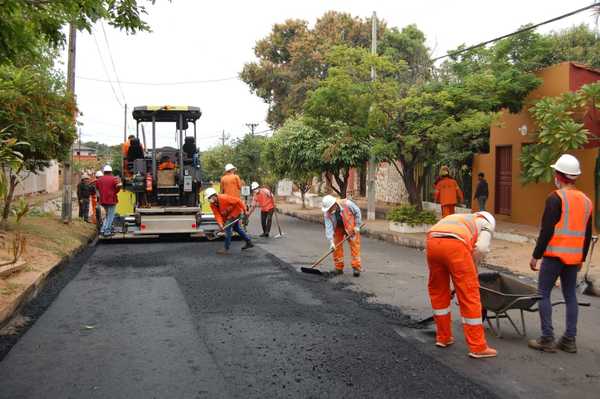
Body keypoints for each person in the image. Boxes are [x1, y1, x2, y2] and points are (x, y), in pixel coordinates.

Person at [528, 154, 592, 354]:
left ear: (559, 175)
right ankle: (569, 340)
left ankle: (547, 338)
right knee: (570, 295)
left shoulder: (555, 198)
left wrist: (535, 255)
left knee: (543, 294)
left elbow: (546, 230)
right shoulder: (587, 201)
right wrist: (581, 258)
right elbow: (587, 234)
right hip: (573, 259)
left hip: (554, 255)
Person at [426, 211, 497, 359]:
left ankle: (443, 337)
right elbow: (482, 248)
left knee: (438, 290)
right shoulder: (486, 223)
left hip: (432, 242)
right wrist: (472, 268)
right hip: (455, 245)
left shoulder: (462, 217)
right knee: (469, 293)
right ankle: (478, 347)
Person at [322, 195, 363, 277]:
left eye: (330, 208)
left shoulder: (347, 204)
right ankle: (338, 268)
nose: (329, 210)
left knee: (355, 246)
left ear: (334, 204)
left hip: (351, 227)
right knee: (336, 247)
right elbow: (328, 227)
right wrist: (331, 242)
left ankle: (356, 267)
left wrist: (357, 226)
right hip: (338, 228)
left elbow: (357, 211)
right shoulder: (327, 213)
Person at [205, 187, 253, 254]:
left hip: (235, 212)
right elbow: (217, 215)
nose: (209, 200)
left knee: (227, 229)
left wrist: (245, 210)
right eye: (208, 198)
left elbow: (238, 201)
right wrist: (220, 224)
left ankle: (226, 248)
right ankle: (249, 242)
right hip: (228, 216)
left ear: (214, 195)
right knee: (237, 229)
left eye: (209, 198)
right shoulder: (213, 205)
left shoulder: (224, 198)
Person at [95, 165, 122, 237]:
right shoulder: (114, 179)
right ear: (111, 171)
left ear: (104, 172)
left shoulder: (99, 180)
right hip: (111, 200)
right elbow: (117, 188)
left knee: (107, 216)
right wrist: (117, 189)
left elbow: (97, 188)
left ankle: (103, 229)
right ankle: (107, 231)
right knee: (110, 216)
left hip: (103, 201)